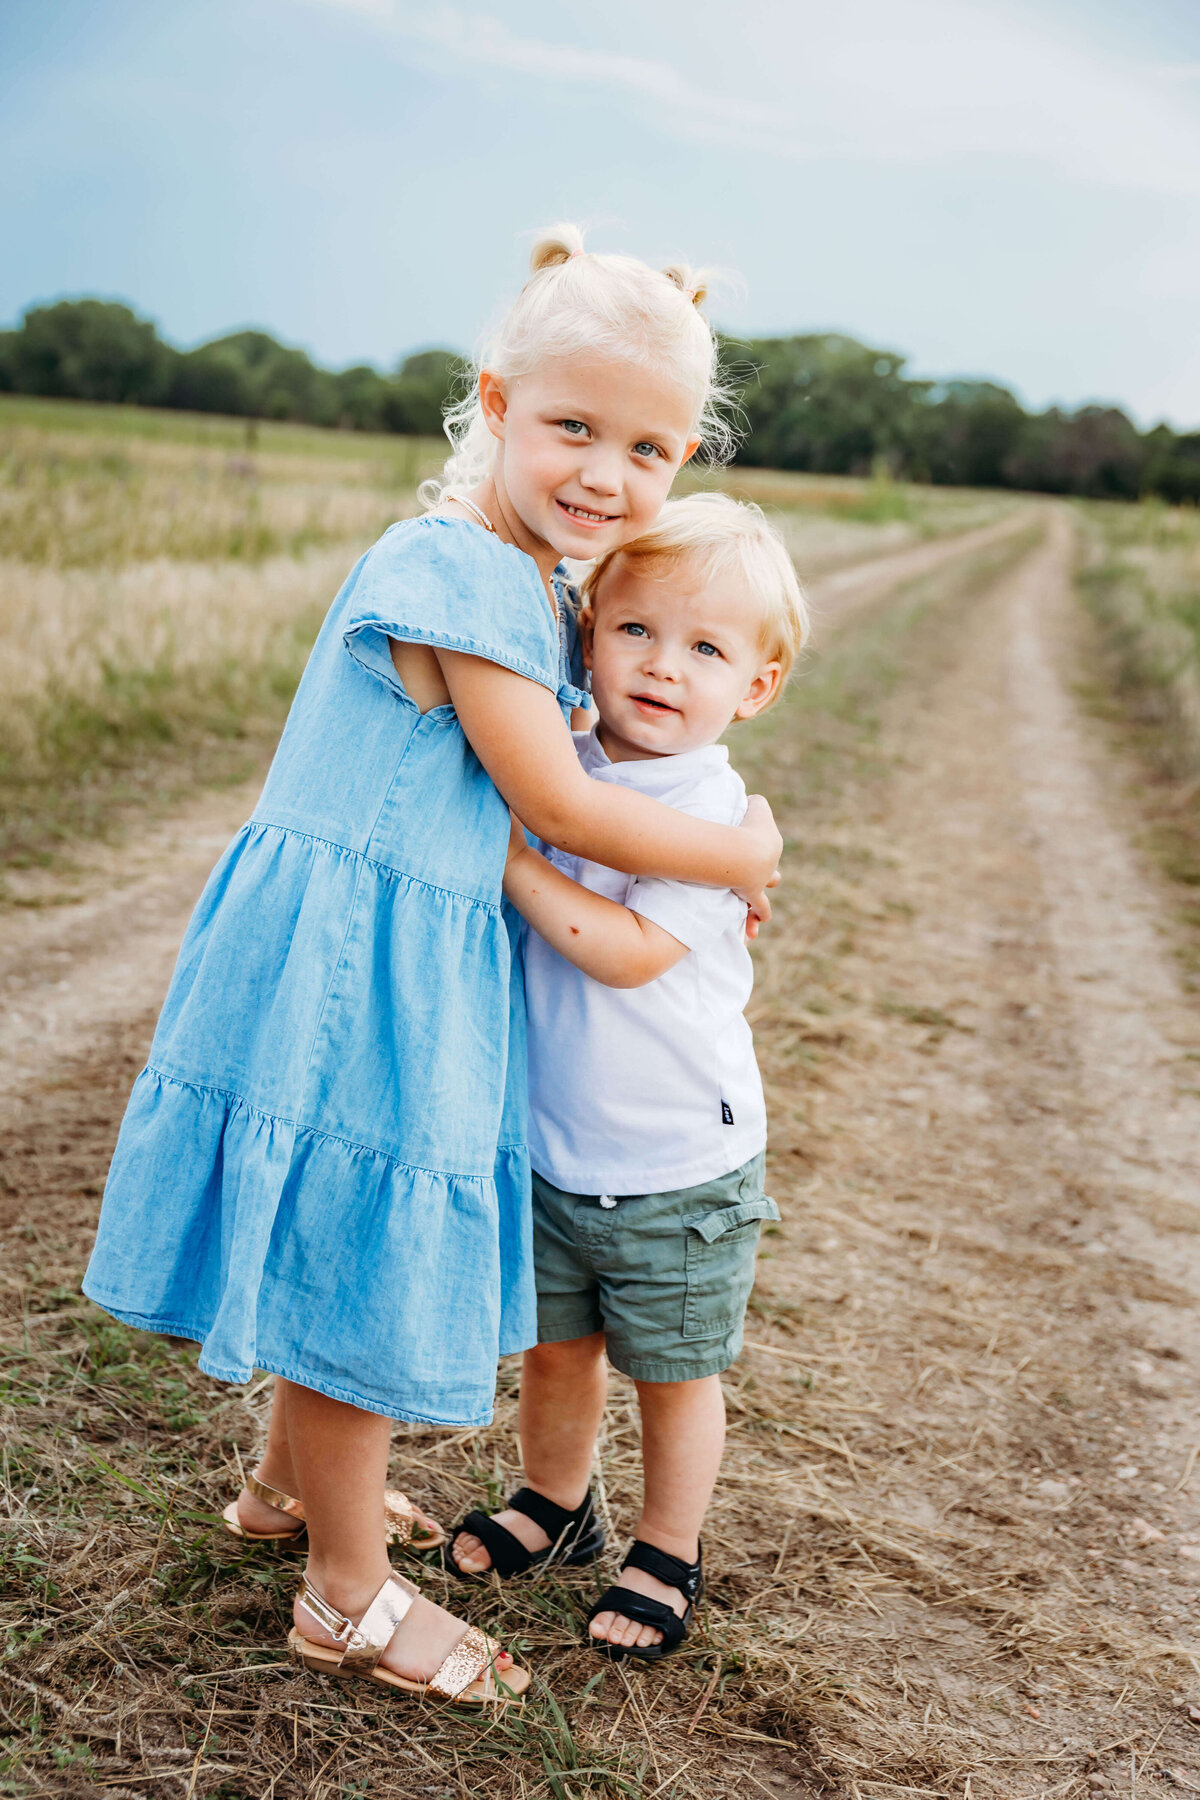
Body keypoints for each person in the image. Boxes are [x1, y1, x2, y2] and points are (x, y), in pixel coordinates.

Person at [82, 228, 783, 1706]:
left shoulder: (526, 576)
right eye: (573, 427)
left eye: (648, 447)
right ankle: (345, 1593)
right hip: (357, 954)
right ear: (497, 401)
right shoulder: (459, 574)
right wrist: (744, 860)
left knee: (344, 1200)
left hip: (386, 939)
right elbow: (559, 804)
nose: (606, 473)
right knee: (352, 1243)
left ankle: (286, 1489)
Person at [446, 493, 808, 1664]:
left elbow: (624, 952)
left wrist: (507, 856)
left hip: (676, 1165)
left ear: (754, 687)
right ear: (588, 631)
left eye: (707, 649)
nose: (663, 668)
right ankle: (557, 1506)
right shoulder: (560, 756)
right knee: (557, 1352)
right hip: (557, 1141)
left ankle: (667, 1546)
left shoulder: (706, 811)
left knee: (672, 1370)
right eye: (639, 632)